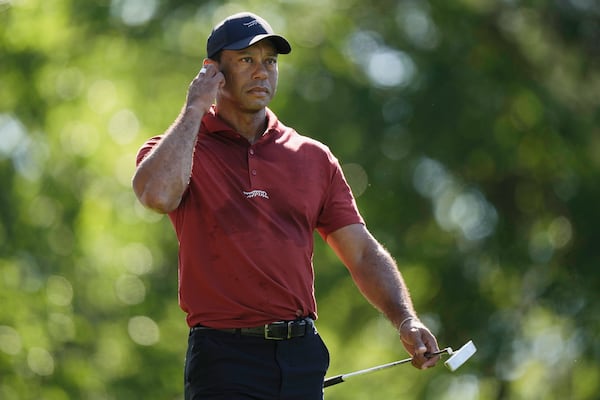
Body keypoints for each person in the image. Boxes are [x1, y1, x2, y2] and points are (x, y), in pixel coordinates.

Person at [132, 11, 439, 400]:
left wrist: (406, 319)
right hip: (224, 357)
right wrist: (194, 108)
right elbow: (157, 195)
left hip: (301, 356)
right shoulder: (178, 148)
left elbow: (361, 253)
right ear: (213, 70)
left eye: (270, 62)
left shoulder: (312, 157)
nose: (262, 72)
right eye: (246, 60)